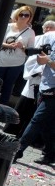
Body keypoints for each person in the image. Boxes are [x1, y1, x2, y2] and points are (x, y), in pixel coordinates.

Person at [6, 21, 55, 138]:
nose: (49, 29)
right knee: (25, 107)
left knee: (37, 113)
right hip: (35, 76)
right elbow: (33, 57)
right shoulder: (39, 38)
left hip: (49, 81)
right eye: (47, 27)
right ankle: (15, 132)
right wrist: (37, 70)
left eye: (51, 28)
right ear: (43, 29)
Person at [14, 25, 55, 166]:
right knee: (46, 125)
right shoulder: (50, 36)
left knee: (37, 120)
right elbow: (39, 59)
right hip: (45, 85)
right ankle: (50, 154)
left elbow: (47, 61)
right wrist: (42, 58)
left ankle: (17, 150)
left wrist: (48, 61)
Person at [0, 6, 36, 104]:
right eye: (21, 14)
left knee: (8, 86)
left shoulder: (30, 32)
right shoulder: (8, 26)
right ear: (17, 15)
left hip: (16, 63)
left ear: (30, 17)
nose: (23, 17)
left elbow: (30, 50)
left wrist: (22, 47)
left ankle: (2, 107)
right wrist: (8, 45)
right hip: (1, 60)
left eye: (26, 15)